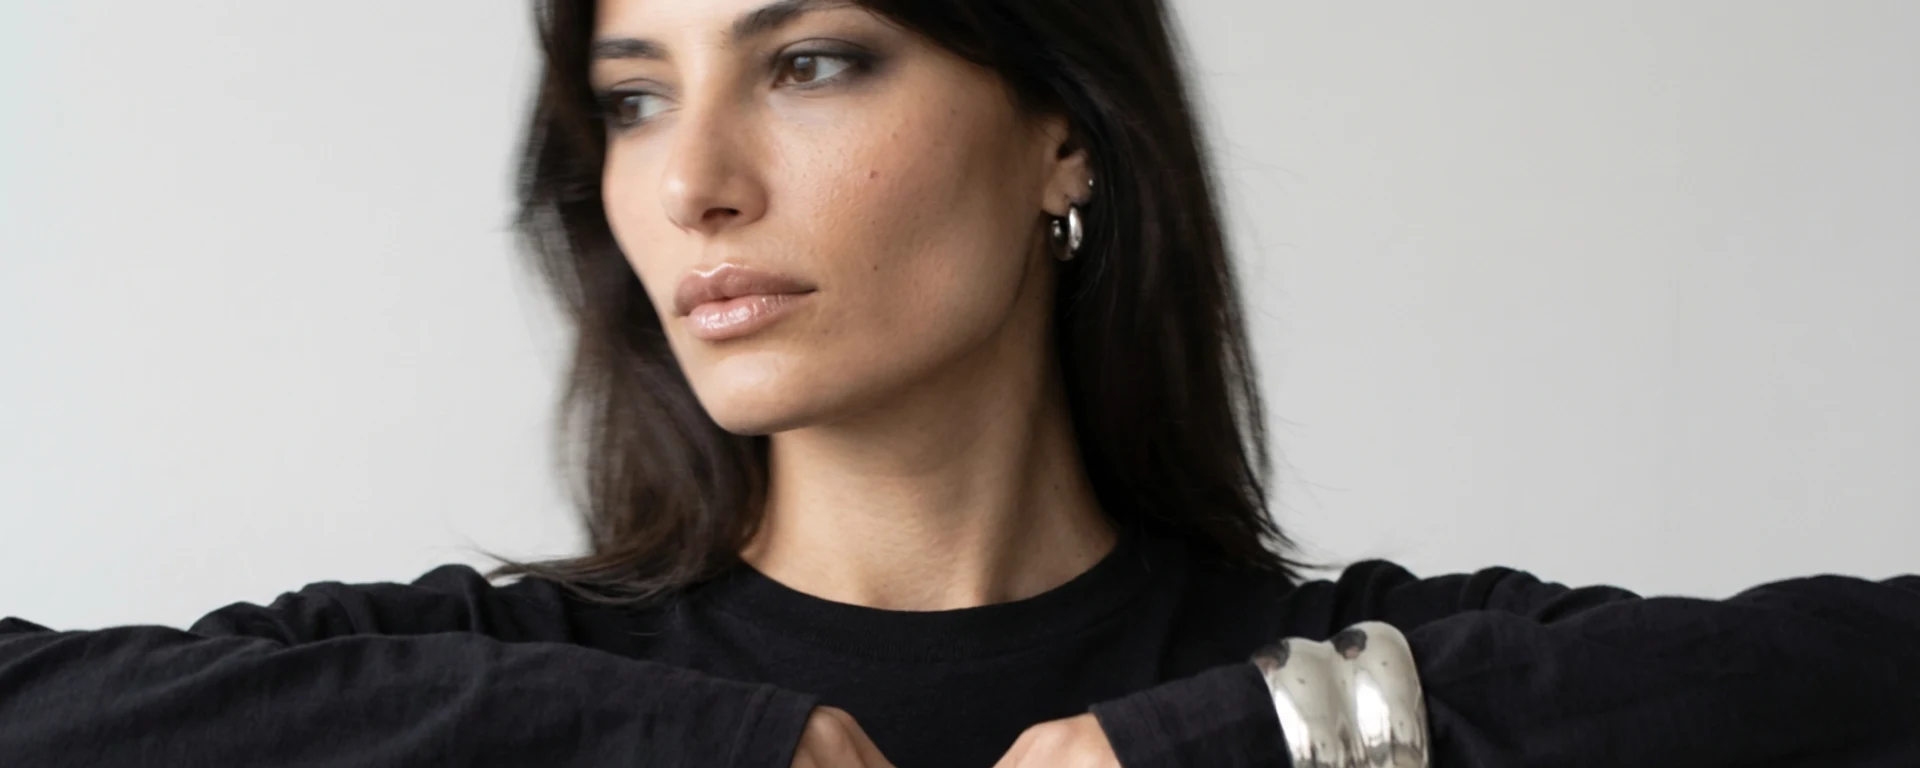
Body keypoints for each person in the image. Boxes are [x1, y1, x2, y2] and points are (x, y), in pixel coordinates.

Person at [3, 0, 1917, 765]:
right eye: (633, 99)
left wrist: (1256, 744)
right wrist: (651, 748)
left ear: (1060, 133)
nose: (693, 182)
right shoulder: (488, 681)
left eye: (812, 62)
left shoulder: (1359, 691)